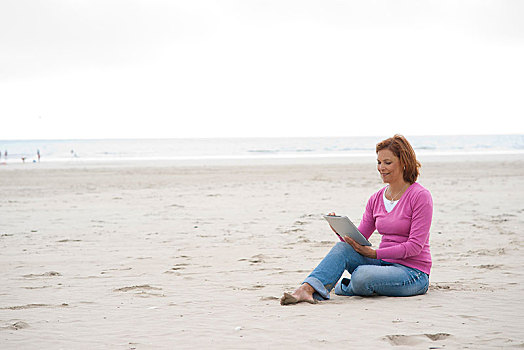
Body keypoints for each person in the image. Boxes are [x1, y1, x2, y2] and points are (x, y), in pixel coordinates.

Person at [281, 134, 433, 305]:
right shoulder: (376, 199)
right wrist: (341, 231)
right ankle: (306, 290)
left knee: (362, 276)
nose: (381, 168)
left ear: (404, 162)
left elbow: (415, 246)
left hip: (413, 273)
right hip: (383, 264)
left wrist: (375, 253)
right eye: (379, 162)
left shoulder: (420, 196)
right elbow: (360, 238)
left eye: (387, 162)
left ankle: (344, 287)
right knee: (342, 248)